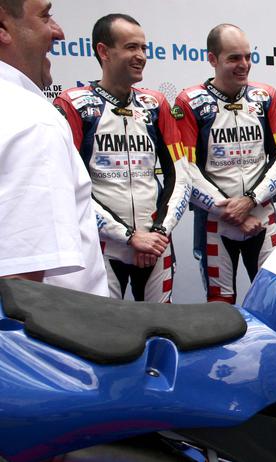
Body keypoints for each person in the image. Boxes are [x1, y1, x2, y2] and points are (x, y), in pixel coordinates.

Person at [53, 14, 190, 302]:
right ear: (104, 51)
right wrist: (129, 236)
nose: (141, 56)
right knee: (105, 328)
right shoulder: (73, 104)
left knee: (162, 324)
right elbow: (69, 187)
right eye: (131, 47)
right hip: (103, 247)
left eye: (143, 48)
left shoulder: (155, 104)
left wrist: (158, 233)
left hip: (156, 244)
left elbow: (180, 175)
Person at [174, 24, 276, 304]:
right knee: (220, 305)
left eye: (247, 57)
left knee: (271, 301)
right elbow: (186, 169)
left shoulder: (265, 96)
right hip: (215, 223)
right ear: (212, 59)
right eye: (234, 58)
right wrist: (232, 211)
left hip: (261, 218)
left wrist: (250, 200)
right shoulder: (190, 102)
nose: (244, 65)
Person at [0, 0, 108, 295]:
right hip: (57, 322)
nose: (59, 32)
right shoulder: (30, 119)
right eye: (45, 16)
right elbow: (20, 292)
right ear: (2, 26)